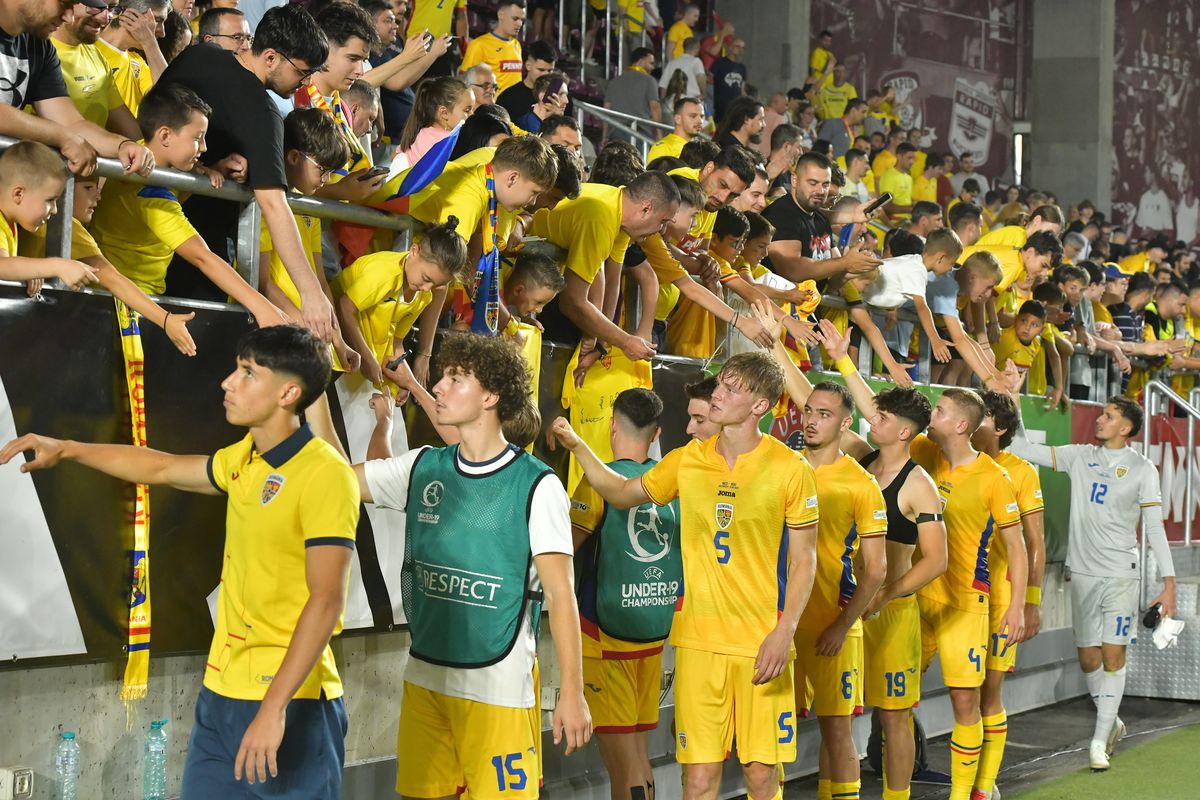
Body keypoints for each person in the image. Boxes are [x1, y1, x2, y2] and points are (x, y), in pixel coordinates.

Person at [1, 325, 361, 797]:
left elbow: (326, 600)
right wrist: (68, 449)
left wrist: (274, 708)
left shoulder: (326, 474)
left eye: (248, 373)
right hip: (221, 693)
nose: (228, 382)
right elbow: (162, 466)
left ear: (288, 393)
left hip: (292, 702)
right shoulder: (244, 459)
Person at [549, 350, 820, 800]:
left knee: (759, 775)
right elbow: (620, 492)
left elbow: (804, 560)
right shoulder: (687, 459)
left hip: (760, 644)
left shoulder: (792, 469)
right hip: (697, 645)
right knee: (697, 780)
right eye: (721, 384)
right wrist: (578, 445)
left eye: (732, 389)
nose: (719, 394)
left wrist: (785, 629)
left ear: (760, 406)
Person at [346, 332, 592, 798]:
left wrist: (572, 692)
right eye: (442, 376)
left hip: (497, 687)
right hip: (425, 676)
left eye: (456, 378)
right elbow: (333, 482)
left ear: (490, 396)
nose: (438, 386)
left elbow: (562, 597)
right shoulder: (422, 466)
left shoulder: (537, 486)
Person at [1006, 389, 1176, 772]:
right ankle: (1111, 720)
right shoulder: (1079, 456)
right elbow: (1021, 448)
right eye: (1102, 413)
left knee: (1113, 655)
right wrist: (1013, 400)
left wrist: (1169, 584)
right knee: (1088, 658)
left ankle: (1098, 742)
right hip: (1082, 572)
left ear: (1126, 428)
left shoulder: (1143, 469)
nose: (1100, 419)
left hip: (1121, 573)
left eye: (1109, 415)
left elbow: (1154, 527)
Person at [157, 4, 338, 339]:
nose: (305, 83)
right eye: (302, 72)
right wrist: (311, 293)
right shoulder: (263, 114)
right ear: (270, 57)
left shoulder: (199, 55)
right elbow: (274, 205)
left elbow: (152, 117)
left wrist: (207, 166)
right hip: (193, 247)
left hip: (137, 224)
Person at [90, 83, 288, 329]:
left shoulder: (145, 153)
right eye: (197, 138)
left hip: (120, 295)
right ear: (165, 136)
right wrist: (262, 307)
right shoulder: (150, 192)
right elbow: (203, 257)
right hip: (124, 303)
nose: (204, 147)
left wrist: (214, 169)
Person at [570, 388, 680, 800]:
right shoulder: (666, 481)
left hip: (606, 637)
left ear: (612, 425)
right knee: (638, 753)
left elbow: (565, 547)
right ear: (657, 433)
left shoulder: (599, 479)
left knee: (622, 765)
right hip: (652, 632)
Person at [969, 390, 1045, 800]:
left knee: (988, 692)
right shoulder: (949, 460)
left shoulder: (1021, 472)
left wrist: (1030, 601)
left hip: (1000, 596)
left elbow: (1035, 542)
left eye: (981, 417)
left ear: (999, 429)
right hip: (949, 595)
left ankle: (984, 784)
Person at [0, 0, 156, 177]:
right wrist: (62, 136)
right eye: (63, 4)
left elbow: (71, 123)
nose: (69, 17)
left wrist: (121, 145)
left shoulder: (39, 46)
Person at [258, 108, 356, 372]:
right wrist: (302, 328)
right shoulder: (266, 205)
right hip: (278, 331)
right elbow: (263, 282)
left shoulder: (308, 208)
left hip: (309, 336)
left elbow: (320, 282)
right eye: (322, 170)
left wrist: (339, 341)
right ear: (293, 157)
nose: (326, 180)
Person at [333, 219, 469, 392]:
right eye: (426, 278)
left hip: (364, 362)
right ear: (414, 251)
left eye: (436, 285)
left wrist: (403, 382)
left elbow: (396, 342)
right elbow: (344, 307)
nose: (427, 288)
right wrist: (366, 358)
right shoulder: (382, 273)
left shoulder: (423, 295)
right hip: (336, 350)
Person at [762, 151, 882, 283]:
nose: (820, 191)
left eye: (825, 185)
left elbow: (833, 282)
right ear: (794, 180)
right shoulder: (781, 215)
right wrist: (844, 263)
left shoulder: (820, 218)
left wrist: (854, 266)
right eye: (813, 183)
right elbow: (793, 271)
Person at [0, 140, 101, 291]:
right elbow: (2, 266)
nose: (55, 210)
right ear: (18, 194)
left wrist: (29, 271)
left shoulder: (9, 222)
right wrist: (57, 266)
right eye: (50, 200)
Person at [97, 0, 170, 116]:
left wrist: (149, 43)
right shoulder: (88, 51)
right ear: (130, 16)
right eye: (157, 20)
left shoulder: (137, 62)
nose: (162, 33)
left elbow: (169, 97)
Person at [460, 0, 526, 96]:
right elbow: (464, 81)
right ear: (501, 14)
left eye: (522, 20)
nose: (519, 23)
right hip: (491, 104)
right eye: (515, 18)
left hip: (515, 104)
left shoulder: (517, 45)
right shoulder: (479, 44)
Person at [604, 48, 661, 141]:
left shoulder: (614, 81)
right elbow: (655, 107)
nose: (653, 68)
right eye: (651, 63)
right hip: (639, 133)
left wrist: (605, 135)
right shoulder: (650, 80)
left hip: (616, 132)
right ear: (641, 61)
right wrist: (659, 133)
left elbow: (606, 109)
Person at [496, 38, 557, 123]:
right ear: (528, 66)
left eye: (550, 70)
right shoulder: (508, 97)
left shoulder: (558, 96)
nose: (546, 75)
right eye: (541, 70)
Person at [647, 96, 704, 163]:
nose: (700, 121)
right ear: (677, 119)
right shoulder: (663, 148)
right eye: (693, 116)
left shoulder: (702, 149)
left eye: (701, 116)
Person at [658, 36, 706, 104]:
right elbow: (700, 77)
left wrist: (663, 102)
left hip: (674, 103)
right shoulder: (696, 61)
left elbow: (663, 86)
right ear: (697, 48)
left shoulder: (672, 63)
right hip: (692, 101)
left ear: (683, 47)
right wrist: (703, 93)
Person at [710, 36, 747, 121]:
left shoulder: (742, 68)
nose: (740, 50)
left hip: (735, 108)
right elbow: (709, 81)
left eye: (743, 48)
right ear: (730, 47)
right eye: (737, 46)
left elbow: (742, 89)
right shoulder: (719, 63)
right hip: (720, 107)